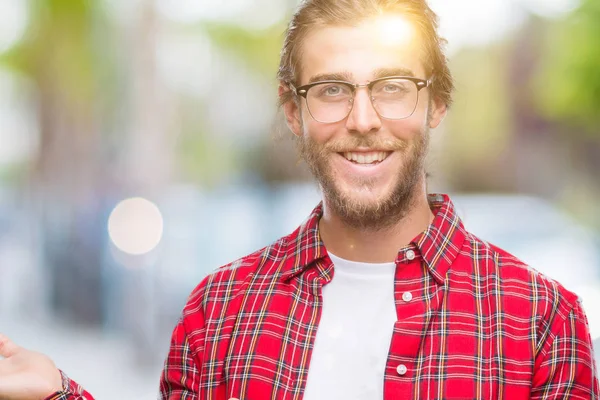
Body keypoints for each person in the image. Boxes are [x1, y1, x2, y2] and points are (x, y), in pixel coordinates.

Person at [1, 0, 598, 399]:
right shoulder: (219, 313)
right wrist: (58, 391)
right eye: (333, 89)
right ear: (295, 111)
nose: (363, 120)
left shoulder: (543, 323)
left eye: (392, 88)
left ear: (434, 104)